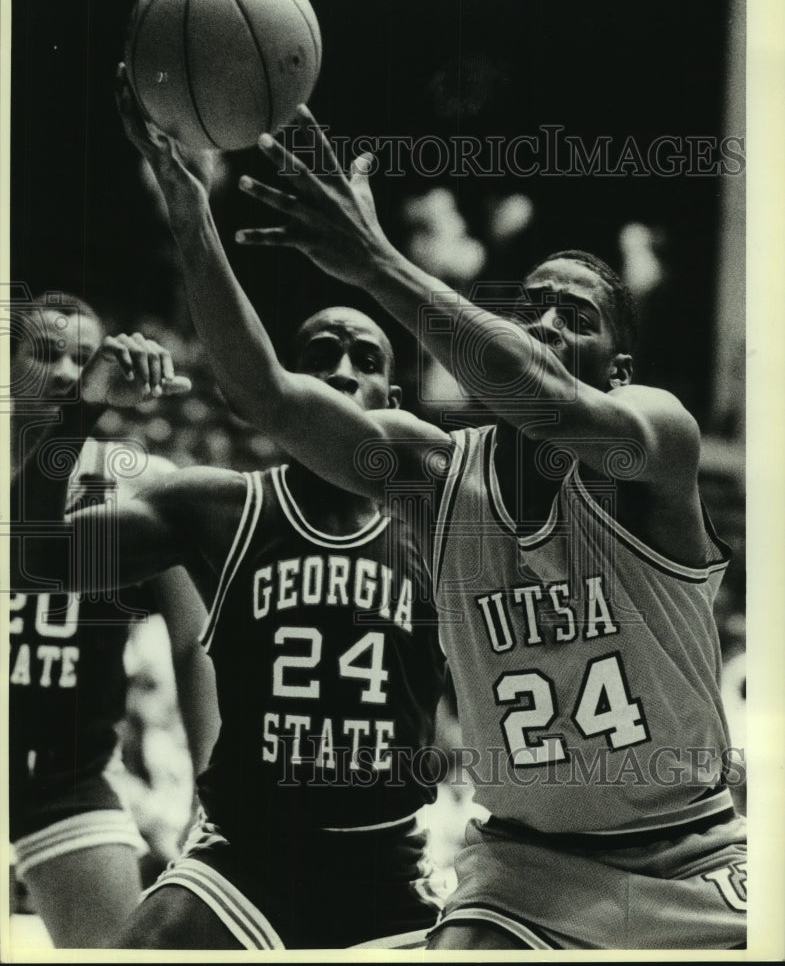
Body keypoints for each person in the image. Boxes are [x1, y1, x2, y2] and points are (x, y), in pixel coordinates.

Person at [116, 76, 747, 951]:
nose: (548, 322)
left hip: (695, 865)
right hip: (529, 879)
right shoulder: (431, 473)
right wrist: (192, 220)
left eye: (578, 313)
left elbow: (552, 404)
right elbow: (267, 396)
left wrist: (373, 258)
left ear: (618, 368)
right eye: (533, 308)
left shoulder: (654, 442)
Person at [11, 295, 447, 949]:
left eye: (363, 358)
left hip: (380, 862)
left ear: (391, 392)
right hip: (246, 855)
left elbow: (191, 645)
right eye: (320, 356)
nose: (341, 372)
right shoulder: (229, 505)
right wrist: (81, 412)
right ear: (281, 385)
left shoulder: (442, 525)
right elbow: (34, 560)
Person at [8, 294, 218, 948]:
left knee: (112, 954)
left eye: (83, 357)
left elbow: (194, 640)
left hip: (64, 776)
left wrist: (209, 790)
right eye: (46, 354)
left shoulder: (134, 483)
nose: (69, 371)